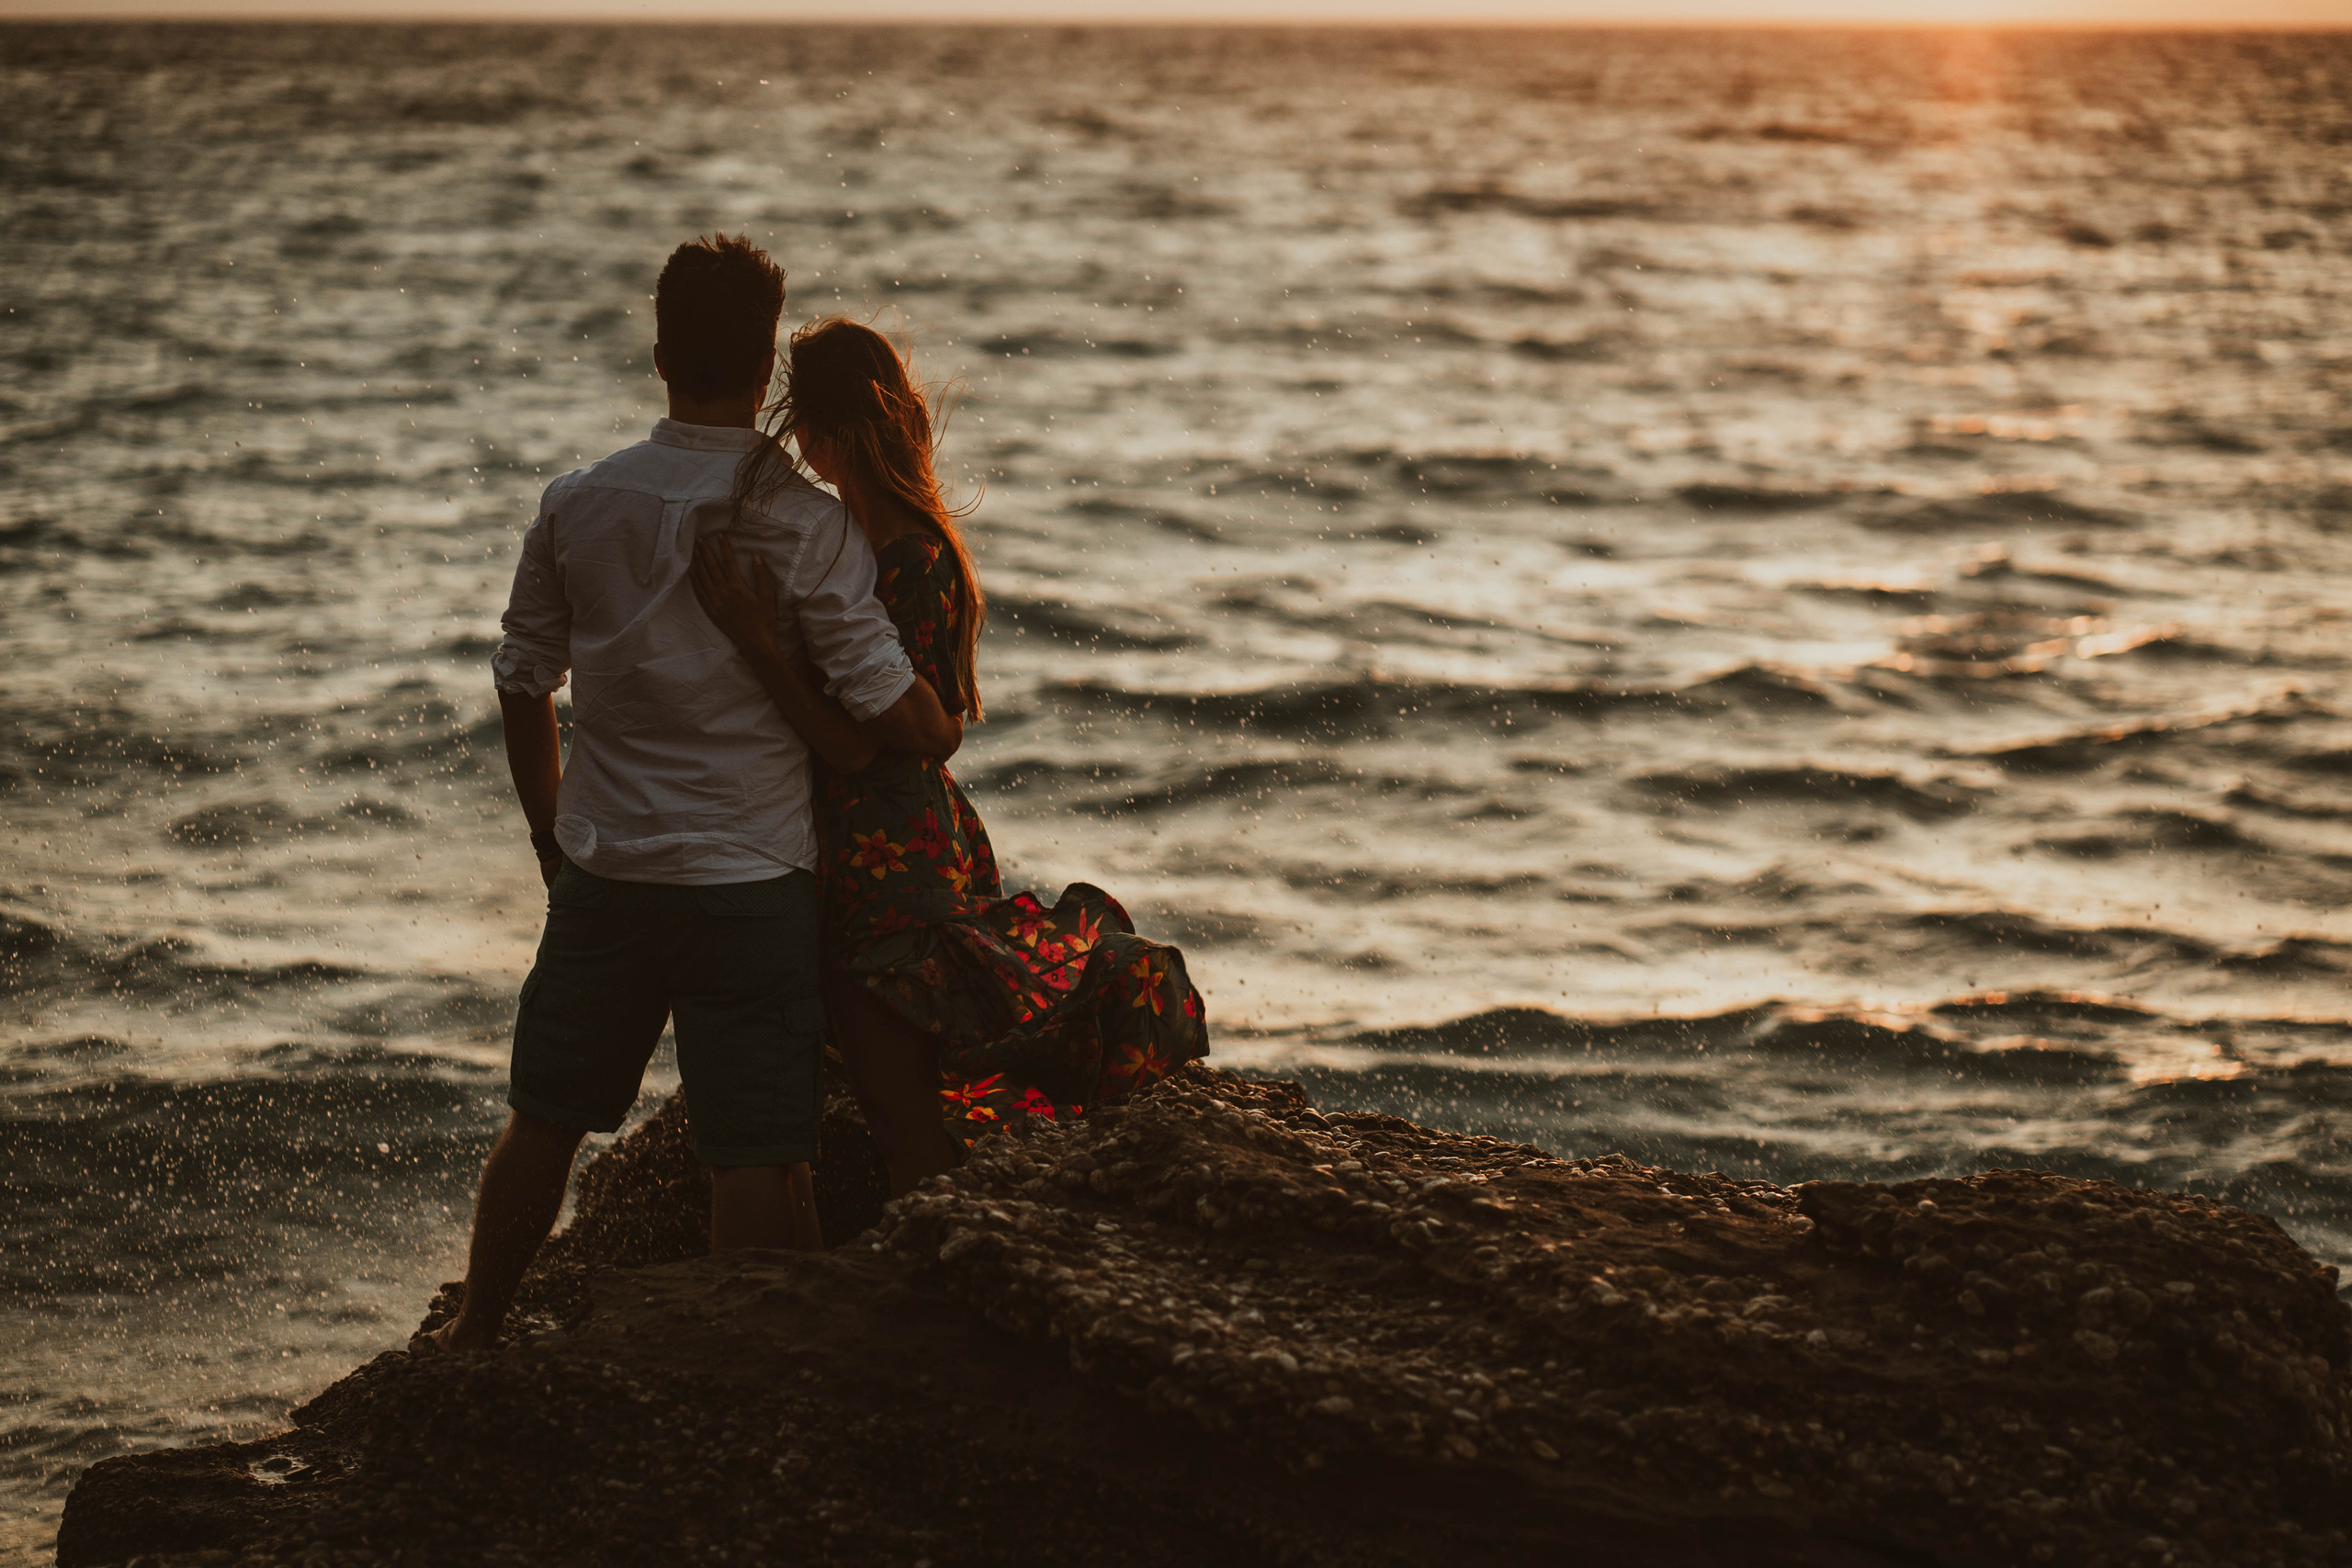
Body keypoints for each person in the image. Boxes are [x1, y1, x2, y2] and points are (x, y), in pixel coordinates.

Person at [414, 239, 963, 1354]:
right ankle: (728, 1366)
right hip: (753, 881)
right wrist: (936, 707)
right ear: (765, 372)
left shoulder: (578, 504)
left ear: (661, 355)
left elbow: (522, 678)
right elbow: (892, 711)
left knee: (545, 1119)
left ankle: (474, 1336)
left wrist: (550, 837)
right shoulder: (809, 525)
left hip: (606, 870)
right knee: (752, 1149)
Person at [688, 317, 1209, 1198]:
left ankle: (936, 1260)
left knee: (902, 1116)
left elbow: (865, 740)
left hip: (885, 856)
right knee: (893, 1103)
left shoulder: (904, 559)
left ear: (824, 432)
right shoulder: (871, 543)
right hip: (886, 845)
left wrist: (759, 645)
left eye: (800, 418)